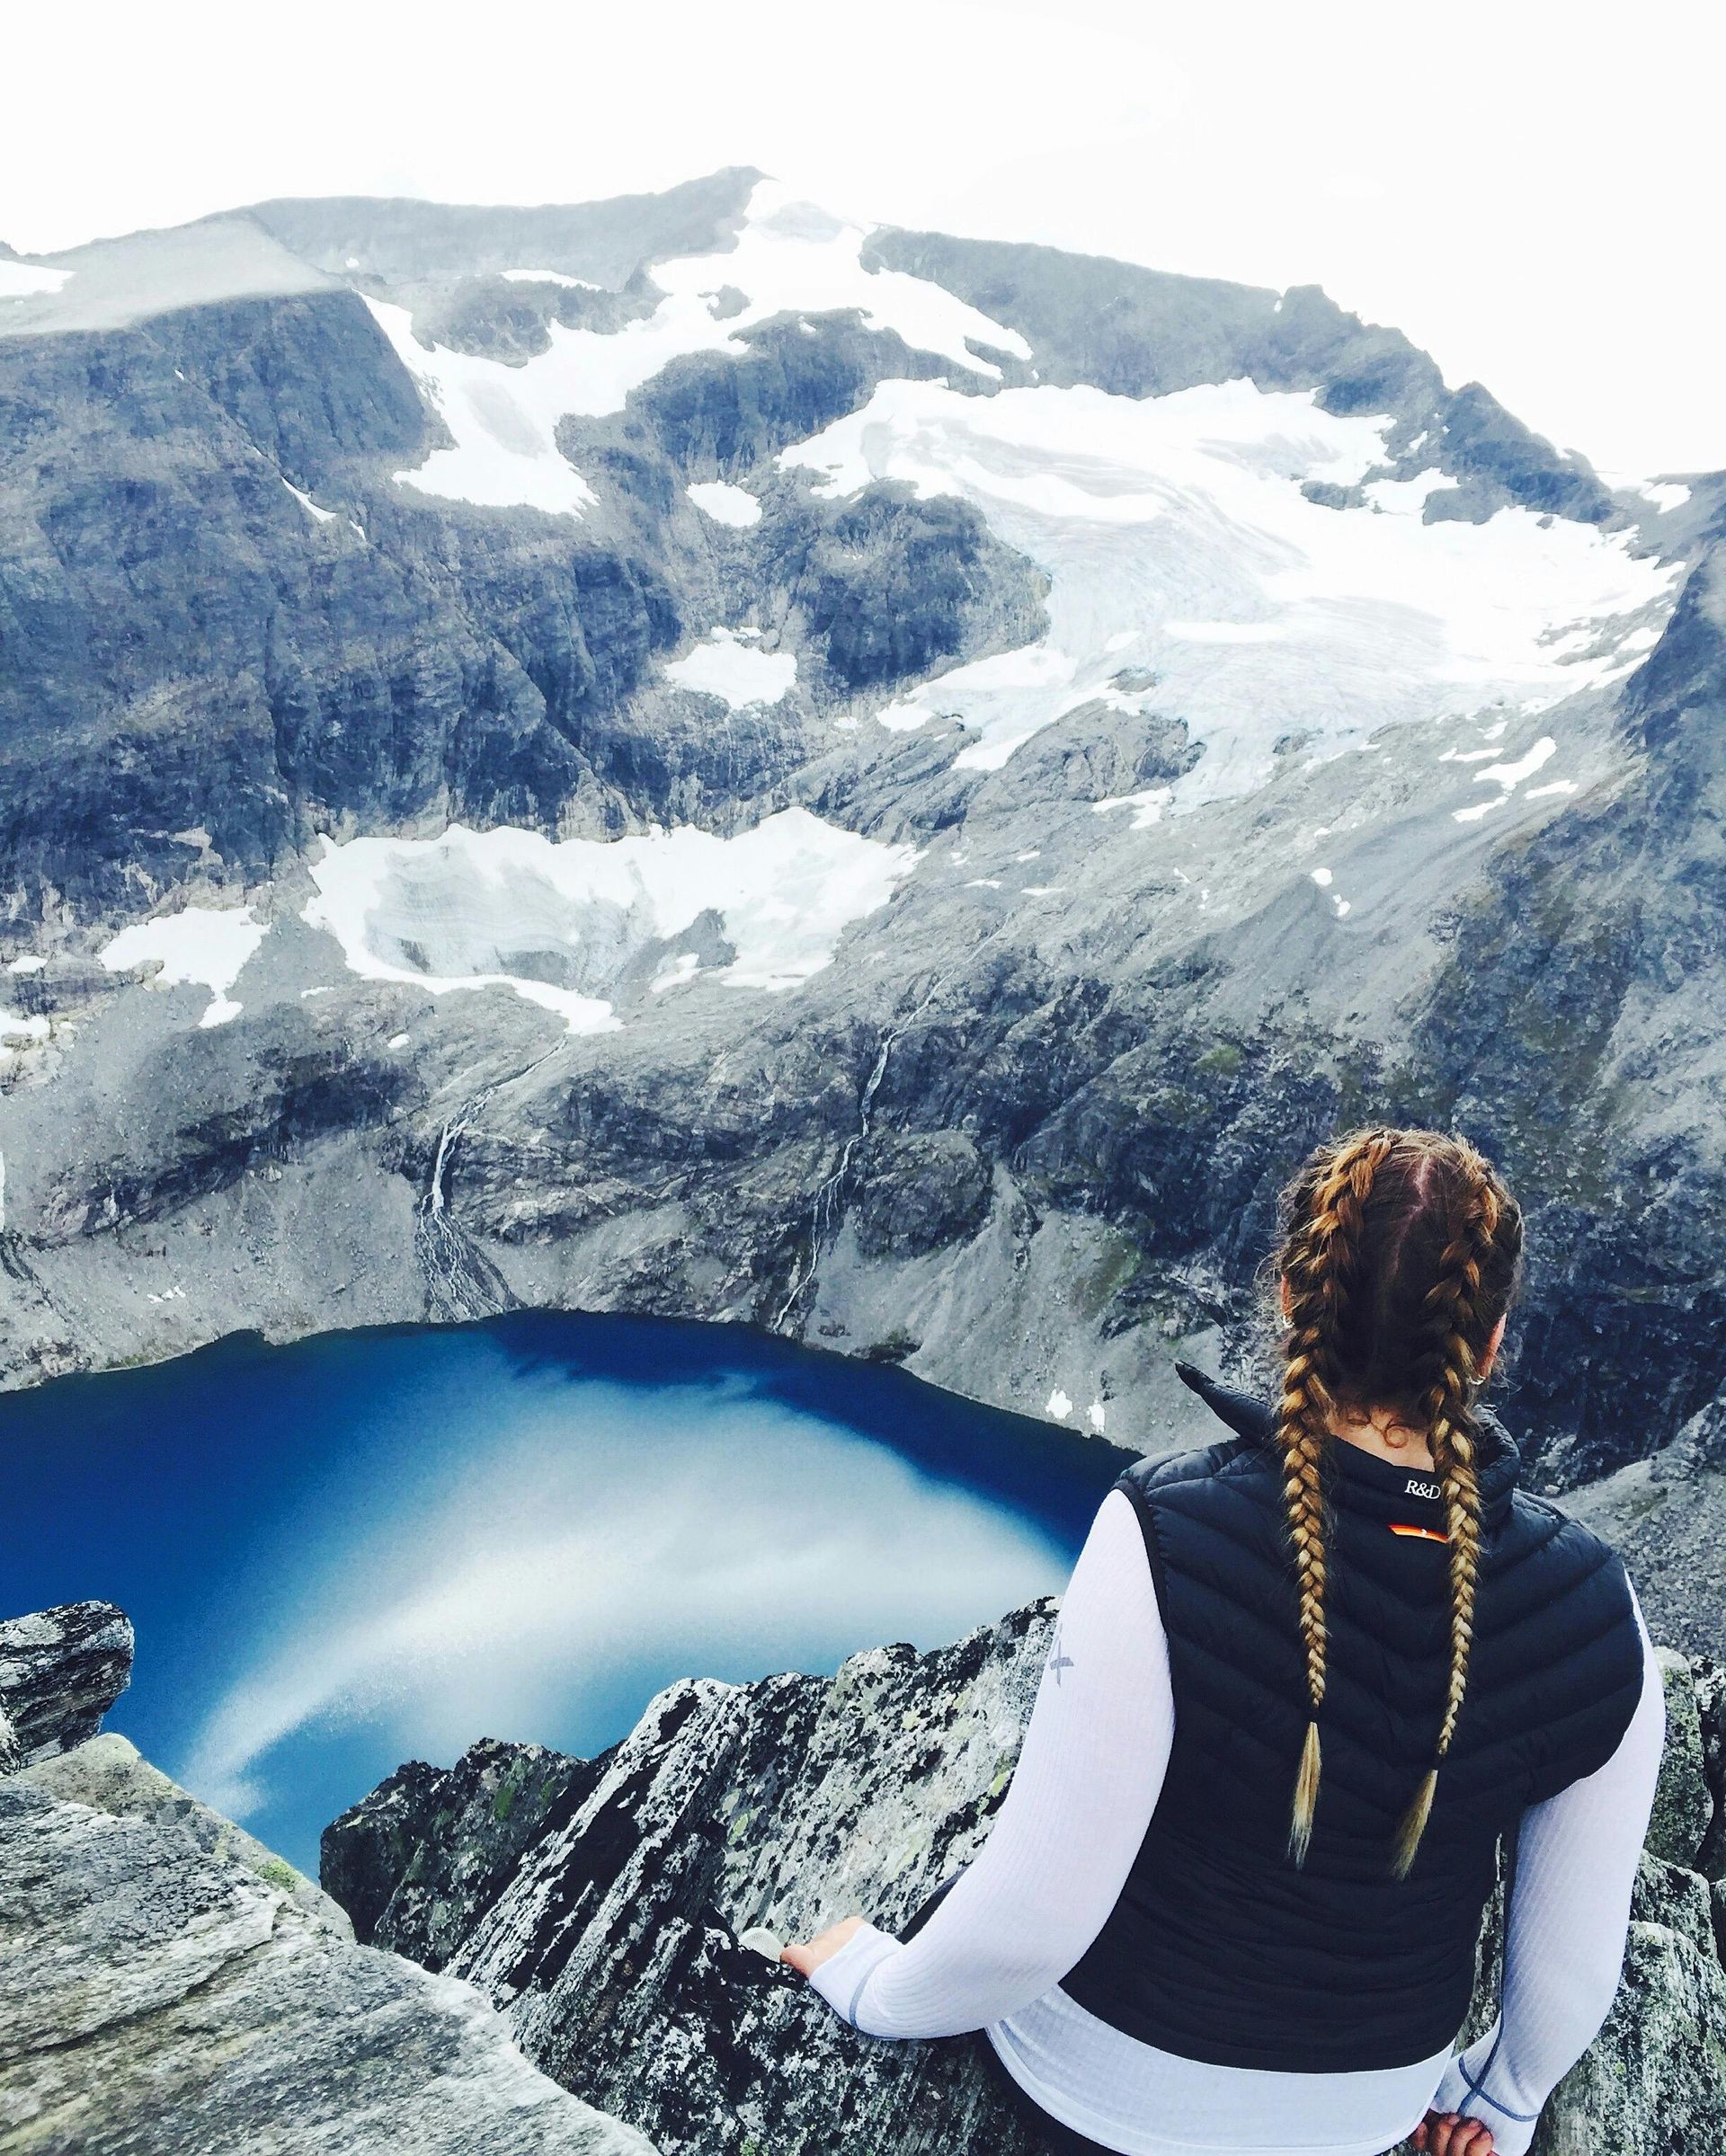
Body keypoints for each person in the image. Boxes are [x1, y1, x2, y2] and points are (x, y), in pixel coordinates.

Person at [781, 1128, 1663, 2156]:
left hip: (1098, 2088)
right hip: (1368, 2112)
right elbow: (1568, 1971)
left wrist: (871, 1985)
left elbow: (1030, 1920)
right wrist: (1502, 2100)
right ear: (1492, 1340)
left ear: (1292, 1297)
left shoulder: (1162, 1530)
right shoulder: (1597, 1605)